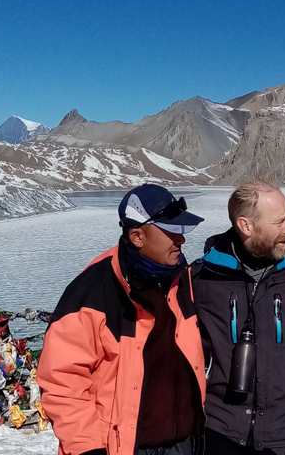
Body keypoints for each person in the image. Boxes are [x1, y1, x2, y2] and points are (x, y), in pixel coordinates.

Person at [37, 184, 207, 455]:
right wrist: (88, 449)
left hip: (183, 445)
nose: (182, 239)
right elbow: (62, 380)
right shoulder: (92, 291)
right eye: (172, 231)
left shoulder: (182, 278)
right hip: (123, 448)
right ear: (138, 236)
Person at [191, 181, 285, 455]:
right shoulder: (202, 278)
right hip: (218, 431)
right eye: (279, 221)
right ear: (246, 226)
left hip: (284, 436)